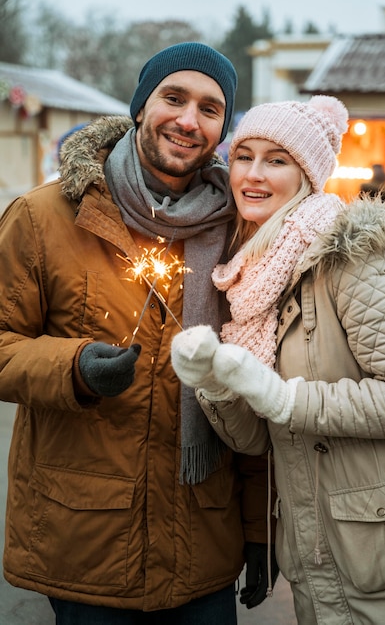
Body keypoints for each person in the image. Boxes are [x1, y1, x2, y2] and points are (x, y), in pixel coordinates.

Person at [0, 42, 276, 625]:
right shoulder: (44, 216)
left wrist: (258, 528)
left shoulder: (242, 232)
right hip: (84, 540)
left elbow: (254, 389)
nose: (187, 120)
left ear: (223, 127)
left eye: (210, 108)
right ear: (139, 106)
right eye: (172, 98)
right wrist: (72, 367)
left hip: (202, 541)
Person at [171, 96, 385, 624]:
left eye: (277, 160)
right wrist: (214, 385)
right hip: (317, 557)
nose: (253, 175)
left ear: (307, 177)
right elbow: (261, 437)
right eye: (244, 156)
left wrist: (286, 397)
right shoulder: (247, 277)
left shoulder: (349, 261)